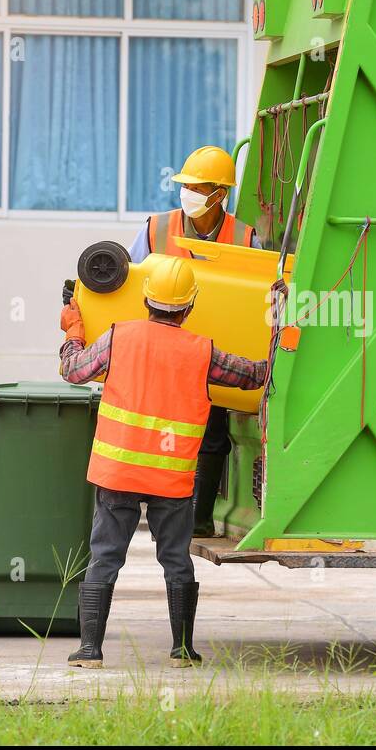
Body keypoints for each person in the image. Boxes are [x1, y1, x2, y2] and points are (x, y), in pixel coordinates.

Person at [58, 256, 269, 669]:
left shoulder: (120, 337)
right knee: (176, 560)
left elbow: (73, 370)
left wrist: (73, 329)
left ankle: (90, 650)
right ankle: (182, 650)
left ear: (145, 298)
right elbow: (253, 375)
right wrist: (281, 334)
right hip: (170, 478)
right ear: (189, 307)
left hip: (118, 472)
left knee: (105, 557)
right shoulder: (202, 351)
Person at [128, 144, 262, 538]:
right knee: (154, 432)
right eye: (187, 186)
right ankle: (156, 514)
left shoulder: (243, 237)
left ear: (220, 195)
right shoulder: (156, 228)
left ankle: (197, 518)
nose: (189, 194)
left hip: (210, 355)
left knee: (212, 435)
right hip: (161, 352)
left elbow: (258, 296)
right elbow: (131, 277)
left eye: (199, 188)